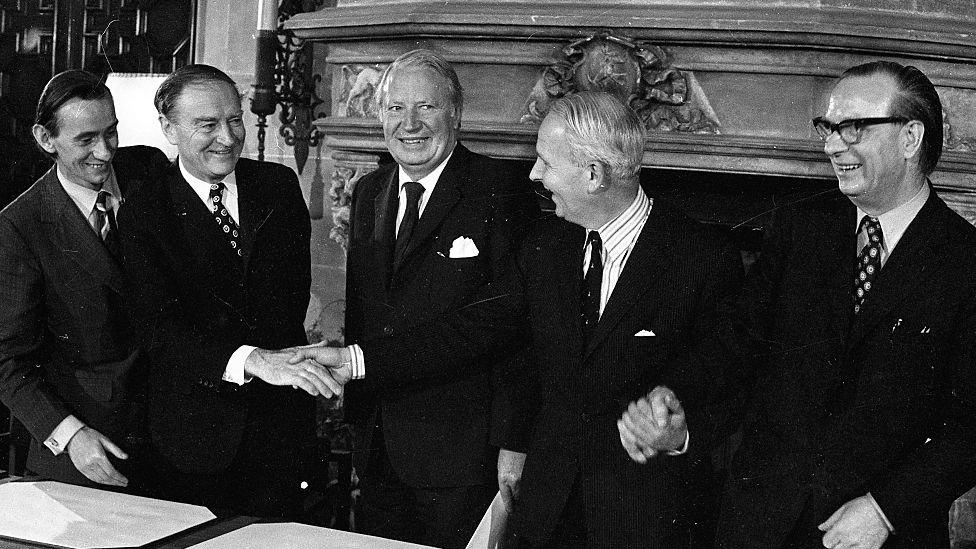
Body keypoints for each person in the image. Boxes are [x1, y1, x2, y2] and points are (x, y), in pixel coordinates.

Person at [294, 91, 743, 548]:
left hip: (646, 517)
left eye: (546, 162)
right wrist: (355, 359)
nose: (534, 174)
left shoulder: (701, 257)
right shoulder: (546, 246)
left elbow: (729, 379)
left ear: (594, 175)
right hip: (546, 509)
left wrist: (680, 430)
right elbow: (470, 328)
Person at [703, 60, 976, 548]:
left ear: (911, 138)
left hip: (877, 534)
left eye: (852, 128)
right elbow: (736, 349)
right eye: (828, 128)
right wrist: (677, 410)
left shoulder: (965, 262)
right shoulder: (796, 230)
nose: (832, 145)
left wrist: (887, 510)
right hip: (759, 525)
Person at [339, 49, 539, 548]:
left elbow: (517, 329)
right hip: (380, 445)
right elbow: (362, 316)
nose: (409, 124)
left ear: (456, 112)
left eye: (426, 108)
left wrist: (514, 442)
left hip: (463, 456)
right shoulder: (368, 192)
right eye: (395, 108)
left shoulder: (502, 190)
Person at [118, 64, 333, 517]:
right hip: (195, 443)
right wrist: (250, 360)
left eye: (234, 120)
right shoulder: (144, 209)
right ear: (168, 129)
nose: (228, 136)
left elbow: (291, 297)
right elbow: (158, 329)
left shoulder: (277, 186)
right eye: (207, 125)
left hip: (279, 435)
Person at [0, 70, 167, 490]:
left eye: (111, 132)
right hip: (91, 455)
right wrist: (70, 434)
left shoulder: (149, 168)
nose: (106, 152)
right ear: (45, 139)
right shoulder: (19, 226)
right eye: (86, 139)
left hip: (179, 440)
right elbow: (7, 361)